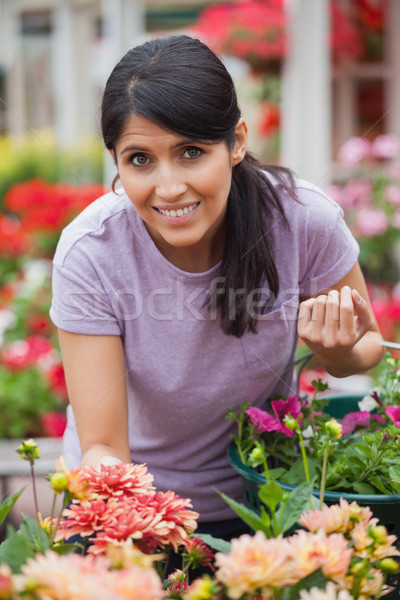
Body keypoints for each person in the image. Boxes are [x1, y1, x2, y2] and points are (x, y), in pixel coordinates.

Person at [50, 34, 384, 542]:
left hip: (267, 493)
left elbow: (368, 350)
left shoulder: (303, 222)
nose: (168, 187)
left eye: (191, 152)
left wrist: (335, 354)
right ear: (115, 160)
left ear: (237, 142)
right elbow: (103, 446)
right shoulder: (91, 253)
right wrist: (144, 535)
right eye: (140, 159)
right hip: (136, 507)